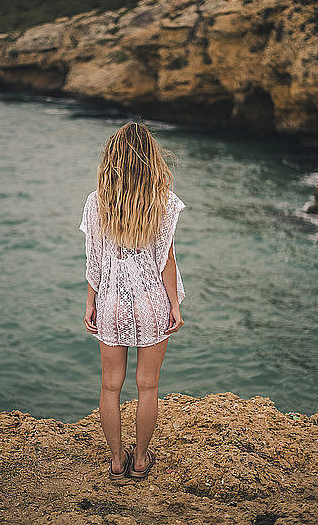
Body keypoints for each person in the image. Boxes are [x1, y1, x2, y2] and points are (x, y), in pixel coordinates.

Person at [79, 121, 186, 480]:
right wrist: (174, 304)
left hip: (110, 301)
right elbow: (166, 259)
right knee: (148, 385)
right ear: (150, 159)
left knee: (110, 384)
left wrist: (91, 301)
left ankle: (114, 461)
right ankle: (140, 460)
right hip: (151, 301)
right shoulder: (163, 202)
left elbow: (94, 257)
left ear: (113, 159)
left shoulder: (97, 202)